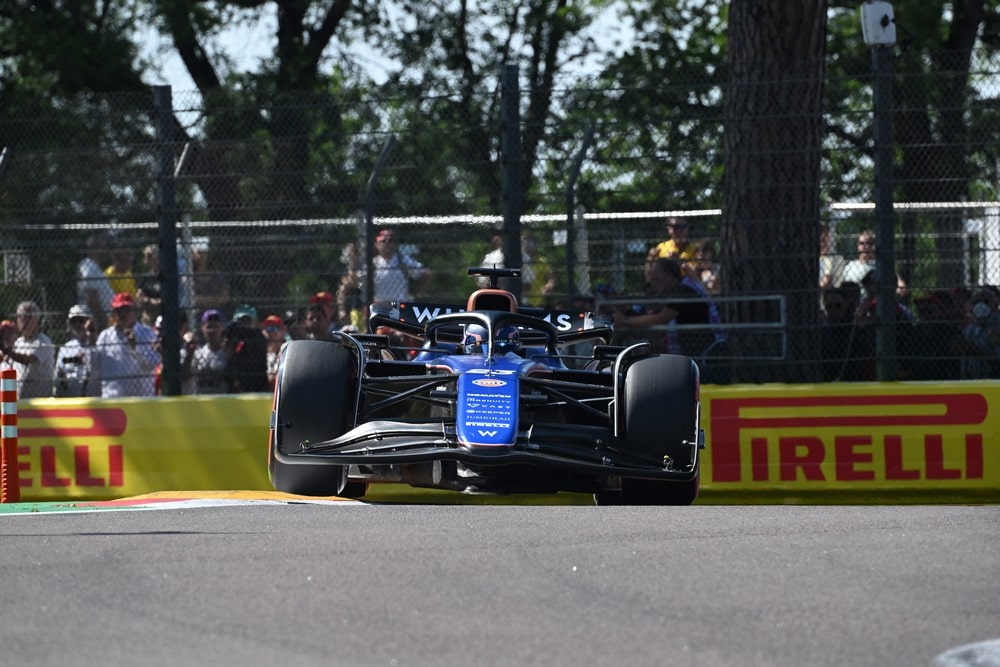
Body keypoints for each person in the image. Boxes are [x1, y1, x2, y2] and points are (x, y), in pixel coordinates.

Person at [614, 258, 712, 358]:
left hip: (703, 352)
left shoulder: (681, 292)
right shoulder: (672, 294)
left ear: (669, 276)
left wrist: (625, 321)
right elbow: (651, 321)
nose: (652, 284)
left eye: (655, 279)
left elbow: (658, 319)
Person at [92, 292, 160, 397]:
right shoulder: (105, 336)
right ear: (114, 313)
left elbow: (152, 364)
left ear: (134, 311)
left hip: (141, 400)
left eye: (126, 310)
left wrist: (135, 347)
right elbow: (95, 367)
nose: (122, 314)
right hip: (112, 400)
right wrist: (91, 340)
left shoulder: (148, 333)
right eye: (118, 310)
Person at [2, 301, 56, 399]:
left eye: (26, 316)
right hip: (20, 399)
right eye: (20, 316)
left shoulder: (43, 341)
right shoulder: (18, 342)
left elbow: (27, 360)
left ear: (35, 319)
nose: (22, 320)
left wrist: (7, 351)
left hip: (39, 400)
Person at [366, 228, 431, 302]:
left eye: (390, 241)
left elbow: (426, 274)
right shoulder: (374, 263)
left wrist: (414, 291)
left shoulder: (402, 260)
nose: (387, 244)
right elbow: (357, 280)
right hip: (381, 305)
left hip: (401, 304)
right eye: (383, 241)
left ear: (395, 244)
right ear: (377, 245)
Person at [841, 230, 908, 297]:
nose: (865, 246)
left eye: (869, 243)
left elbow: (896, 279)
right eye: (862, 243)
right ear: (857, 246)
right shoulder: (850, 266)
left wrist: (900, 284)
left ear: (874, 246)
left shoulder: (880, 265)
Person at [54, 304, 100, 397]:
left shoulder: (99, 344)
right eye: (74, 321)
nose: (77, 324)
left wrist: (91, 337)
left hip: (93, 399)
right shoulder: (65, 348)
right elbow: (59, 375)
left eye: (81, 320)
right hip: (71, 399)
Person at [225, 304, 268, 392]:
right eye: (241, 321)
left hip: (256, 382)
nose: (244, 325)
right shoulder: (233, 335)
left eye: (247, 321)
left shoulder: (258, 336)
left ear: (255, 322)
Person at [959, 286, 1000, 379]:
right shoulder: (970, 327)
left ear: (995, 304)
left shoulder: (997, 324)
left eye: (986, 302)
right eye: (977, 302)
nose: (981, 305)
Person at [77, 232, 115, 331]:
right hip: (96, 322)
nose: (106, 250)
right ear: (96, 249)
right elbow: (91, 298)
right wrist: (102, 320)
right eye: (104, 247)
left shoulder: (94, 267)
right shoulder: (89, 268)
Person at [646, 217, 698, 282]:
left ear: (687, 228)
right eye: (675, 227)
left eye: (682, 227)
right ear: (669, 229)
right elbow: (650, 277)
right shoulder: (662, 247)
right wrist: (650, 259)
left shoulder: (695, 249)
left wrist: (679, 261)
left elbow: (695, 278)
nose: (679, 231)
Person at [191, 309, 229, 394]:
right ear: (202, 329)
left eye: (216, 326)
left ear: (222, 328)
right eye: (209, 327)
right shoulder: (198, 354)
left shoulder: (227, 354)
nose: (212, 330)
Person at [190, 239, 230, 312]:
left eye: (204, 253)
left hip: (217, 313)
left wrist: (203, 300)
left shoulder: (216, 275)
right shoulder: (189, 276)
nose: (202, 256)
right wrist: (214, 300)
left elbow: (225, 298)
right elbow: (191, 299)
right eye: (199, 253)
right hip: (196, 313)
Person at [135, 244, 163, 326]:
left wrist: (148, 300)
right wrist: (150, 301)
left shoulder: (164, 277)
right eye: (146, 256)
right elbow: (139, 298)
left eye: (150, 256)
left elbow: (164, 301)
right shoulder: (145, 277)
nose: (147, 259)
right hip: (148, 316)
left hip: (162, 315)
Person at [819, 224, 846, 289]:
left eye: (826, 234)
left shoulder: (838, 259)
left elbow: (832, 283)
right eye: (820, 233)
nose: (822, 236)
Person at [262, 314, 285, 389]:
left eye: (275, 328)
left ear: (282, 332)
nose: (271, 332)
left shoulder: (286, 351)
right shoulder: (260, 353)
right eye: (268, 328)